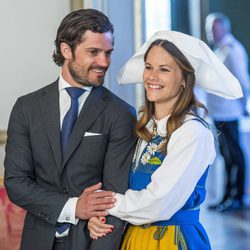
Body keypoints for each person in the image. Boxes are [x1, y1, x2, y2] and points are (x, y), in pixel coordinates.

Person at [87, 31, 243, 250]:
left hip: (172, 240)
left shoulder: (193, 133)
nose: (152, 76)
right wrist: (100, 216)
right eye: (149, 67)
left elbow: (157, 203)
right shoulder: (145, 128)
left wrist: (101, 204)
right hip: (133, 238)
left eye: (164, 69)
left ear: (184, 80)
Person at [4, 9, 136, 250]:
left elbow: (116, 198)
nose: (104, 62)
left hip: (91, 241)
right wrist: (74, 207)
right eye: (93, 52)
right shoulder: (27, 108)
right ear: (66, 50)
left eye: (108, 53)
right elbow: (16, 183)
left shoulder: (121, 114)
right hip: (37, 241)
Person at [205, 12, 249, 212]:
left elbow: (242, 80)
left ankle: (236, 196)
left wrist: (245, 106)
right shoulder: (220, 50)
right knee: (226, 155)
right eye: (209, 29)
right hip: (218, 112)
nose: (210, 33)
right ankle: (227, 195)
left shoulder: (233, 50)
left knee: (234, 154)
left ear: (224, 28)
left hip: (229, 111)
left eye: (214, 29)